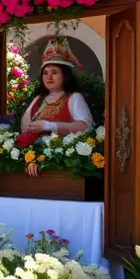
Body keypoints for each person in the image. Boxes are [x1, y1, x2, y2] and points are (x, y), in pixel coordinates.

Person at [21, 39, 93, 177]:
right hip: (35, 163)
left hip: (63, 166)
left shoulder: (74, 98)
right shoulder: (38, 100)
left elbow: (85, 127)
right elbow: (25, 129)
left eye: (54, 72)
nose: (49, 77)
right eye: (45, 73)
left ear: (65, 75)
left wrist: (50, 126)